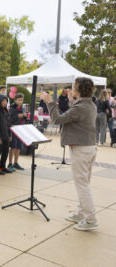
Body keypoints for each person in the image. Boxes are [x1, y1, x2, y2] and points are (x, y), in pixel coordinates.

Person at [43, 77, 99, 231]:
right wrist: (71, 100)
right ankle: (82, 213)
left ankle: (91, 219)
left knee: (82, 186)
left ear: (79, 90)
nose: (72, 89)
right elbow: (74, 114)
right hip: (87, 148)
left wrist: (50, 102)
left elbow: (57, 119)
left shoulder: (80, 107)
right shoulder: (89, 104)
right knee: (84, 183)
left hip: (81, 150)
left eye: (74, 87)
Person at [0, 94, 12, 175]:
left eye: (6, 101)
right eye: (3, 101)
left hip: (6, 135)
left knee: (5, 152)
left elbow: (9, 123)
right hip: (0, 136)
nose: (5, 102)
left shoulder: (6, 110)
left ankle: (2, 166)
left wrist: (10, 134)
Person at [8, 93, 28, 171]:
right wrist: (17, 116)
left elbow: (24, 118)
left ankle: (16, 162)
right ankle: (10, 163)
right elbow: (10, 119)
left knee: (19, 147)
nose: (20, 101)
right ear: (15, 100)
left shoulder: (22, 108)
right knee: (13, 146)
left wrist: (25, 116)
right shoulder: (12, 108)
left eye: (21, 100)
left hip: (21, 129)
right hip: (13, 129)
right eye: (18, 100)